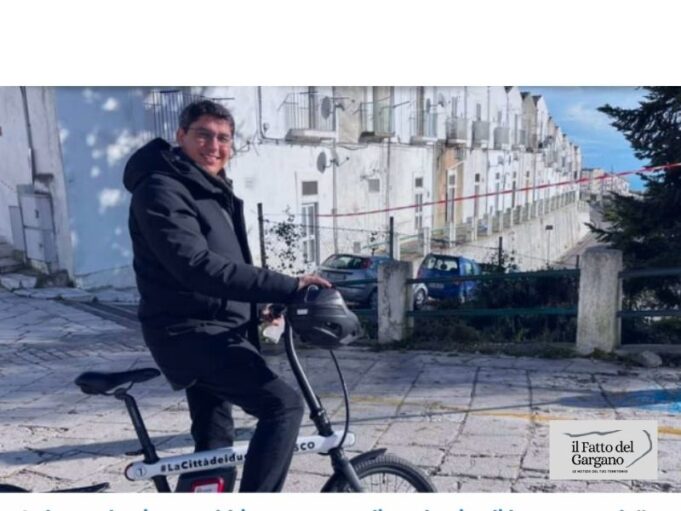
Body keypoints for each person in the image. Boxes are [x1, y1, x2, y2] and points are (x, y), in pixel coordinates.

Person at [123, 99, 330, 492]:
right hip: (189, 335)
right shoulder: (161, 189)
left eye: (223, 138)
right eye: (203, 135)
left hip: (213, 330)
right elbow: (196, 266)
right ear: (181, 136)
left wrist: (258, 307)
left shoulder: (206, 188)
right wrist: (289, 286)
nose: (214, 146)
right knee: (283, 406)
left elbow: (223, 267)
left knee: (214, 446)